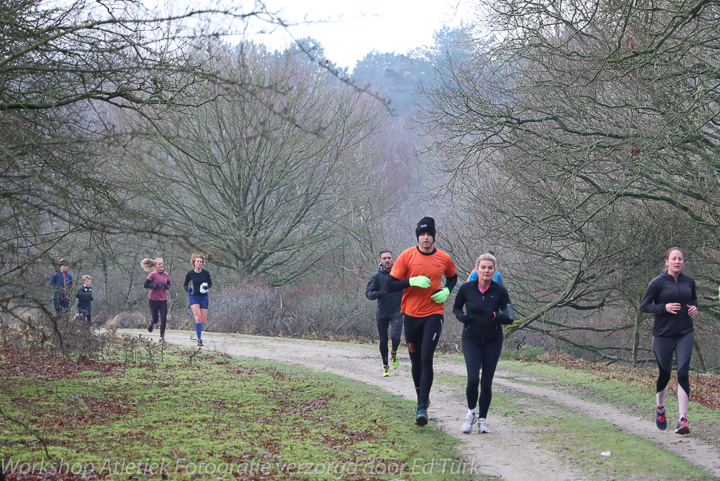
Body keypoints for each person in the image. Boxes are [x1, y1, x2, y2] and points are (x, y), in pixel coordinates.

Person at [388, 217, 458, 426]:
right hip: (410, 314)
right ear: (418, 236)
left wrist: (446, 290)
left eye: (429, 235)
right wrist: (410, 281)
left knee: (427, 357)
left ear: (434, 236)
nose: (426, 238)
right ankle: (422, 396)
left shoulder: (443, 258)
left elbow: (453, 277)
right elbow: (390, 285)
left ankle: (421, 407)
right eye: (422, 235)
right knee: (416, 359)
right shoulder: (407, 256)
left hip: (433, 313)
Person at [453, 252, 515, 434]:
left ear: (494, 270)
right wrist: (462, 317)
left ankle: (482, 420)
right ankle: (471, 413)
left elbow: (510, 318)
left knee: (486, 382)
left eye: (490, 268)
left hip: (492, 340)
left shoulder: (500, 291)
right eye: (483, 267)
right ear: (477, 269)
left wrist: (496, 316)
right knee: (473, 379)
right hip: (471, 338)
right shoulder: (466, 288)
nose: (486, 271)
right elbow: (456, 307)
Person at [640, 247, 698, 435]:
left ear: (683, 262)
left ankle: (682, 419)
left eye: (680, 259)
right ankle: (660, 408)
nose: (677, 262)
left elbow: (694, 301)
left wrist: (695, 309)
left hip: (684, 334)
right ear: (667, 262)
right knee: (664, 374)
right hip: (663, 336)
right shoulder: (657, 283)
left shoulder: (689, 281)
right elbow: (644, 307)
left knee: (682, 373)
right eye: (674, 259)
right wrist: (663, 307)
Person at [366, 250, 404, 377]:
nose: (387, 260)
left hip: (397, 311)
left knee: (396, 337)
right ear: (380, 261)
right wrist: (379, 293)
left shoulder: (399, 273)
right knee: (383, 340)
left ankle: (394, 352)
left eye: (389, 258)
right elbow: (368, 293)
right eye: (384, 258)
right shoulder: (377, 276)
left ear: (393, 259)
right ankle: (385, 366)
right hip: (382, 312)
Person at [184, 253, 212, 347]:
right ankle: (199, 339)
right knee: (198, 317)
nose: (199, 263)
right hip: (193, 297)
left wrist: (207, 286)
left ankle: (198, 327)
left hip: (204, 297)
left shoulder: (206, 273)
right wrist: (188, 289)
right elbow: (185, 284)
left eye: (201, 262)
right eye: (197, 261)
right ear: (194, 263)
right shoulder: (190, 274)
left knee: (203, 321)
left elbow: (210, 283)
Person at [141, 257, 171, 343]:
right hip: (153, 299)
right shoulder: (152, 275)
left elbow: (169, 285)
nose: (161, 265)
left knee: (164, 318)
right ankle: (151, 323)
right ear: (156, 265)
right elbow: (146, 285)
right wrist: (155, 286)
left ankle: (162, 337)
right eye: (159, 264)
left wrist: (166, 287)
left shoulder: (166, 274)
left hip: (163, 299)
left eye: (162, 263)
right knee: (155, 319)